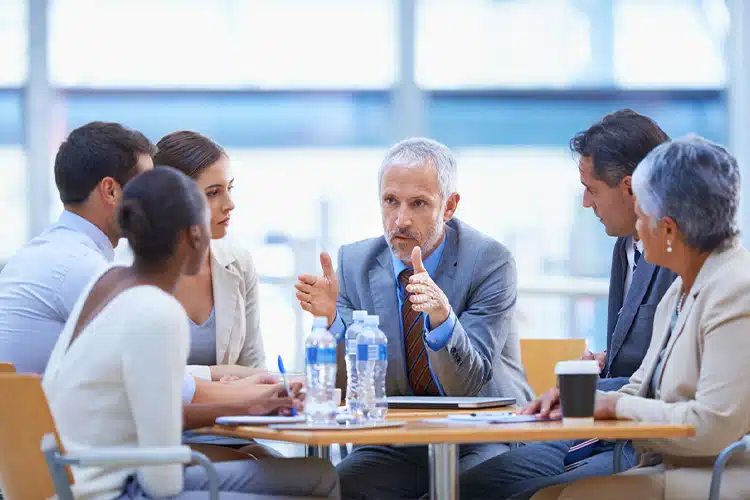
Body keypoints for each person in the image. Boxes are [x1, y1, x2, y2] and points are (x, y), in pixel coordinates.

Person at [43, 167, 340, 499]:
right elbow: (163, 482)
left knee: (319, 475)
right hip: (114, 490)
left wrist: (250, 406)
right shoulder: (157, 312)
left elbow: (153, 413)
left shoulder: (107, 282)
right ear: (196, 237)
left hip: (77, 477)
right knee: (306, 485)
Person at [0, 121, 288, 429]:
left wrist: (235, 382)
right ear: (110, 190)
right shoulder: (89, 271)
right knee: (304, 476)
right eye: (144, 187)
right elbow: (163, 389)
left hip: (39, 457)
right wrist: (250, 394)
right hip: (88, 462)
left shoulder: (49, 252)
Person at [295, 137, 532, 499]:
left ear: (449, 206)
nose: (400, 219)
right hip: (394, 442)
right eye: (391, 202)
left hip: (480, 437)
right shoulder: (355, 264)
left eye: (418, 204)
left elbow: (465, 386)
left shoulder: (490, 262)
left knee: (453, 492)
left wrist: (442, 317)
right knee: (328, 490)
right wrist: (329, 325)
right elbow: (342, 391)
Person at [459, 109, 678, 499]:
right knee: (461, 487)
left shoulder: (678, 259)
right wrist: (602, 363)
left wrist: (587, 391)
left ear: (629, 189)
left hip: (637, 442)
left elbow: (671, 378)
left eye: (591, 189)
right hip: (596, 432)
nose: (585, 203)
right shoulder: (624, 247)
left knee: (524, 493)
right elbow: (641, 352)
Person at [530, 137, 750, 500]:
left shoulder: (736, 290)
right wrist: (583, 401)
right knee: (546, 496)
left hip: (718, 476)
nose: (637, 227)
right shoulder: (678, 293)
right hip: (671, 467)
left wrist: (614, 405)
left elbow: (713, 426)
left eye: (642, 215)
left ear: (667, 230)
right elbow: (639, 387)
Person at [153, 130, 265, 378]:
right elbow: (143, 376)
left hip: (225, 416)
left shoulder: (239, 264)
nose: (230, 203)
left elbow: (253, 368)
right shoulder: (129, 271)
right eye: (213, 192)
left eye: (230, 188)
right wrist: (216, 374)